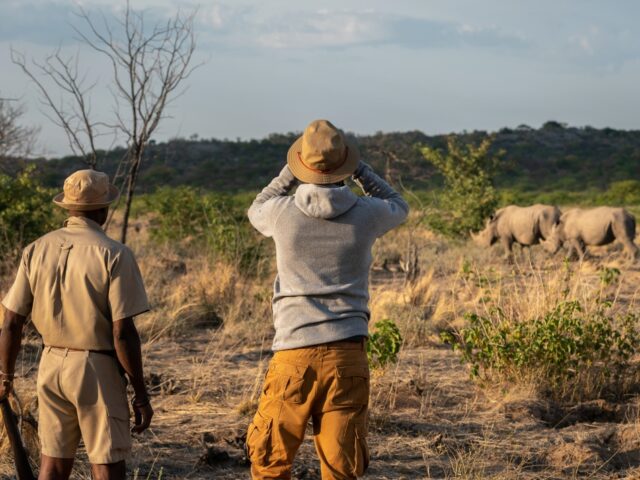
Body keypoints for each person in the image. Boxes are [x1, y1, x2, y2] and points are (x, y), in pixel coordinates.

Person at [246, 119, 409, 479]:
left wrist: (289, 172)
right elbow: (398, 204)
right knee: (341, 468)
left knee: (270, 463)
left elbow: (257, 205)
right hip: (347, 356)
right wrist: (362, 170)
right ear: (345, 167)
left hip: (292, 355)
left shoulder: (281, 213)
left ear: (302, 163)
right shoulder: (367, 215)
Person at [0, 169, 153, 480]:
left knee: (53, 464)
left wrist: (6, 375)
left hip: (50, 365)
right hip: (96, 367)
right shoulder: (114, 254)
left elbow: (11, 322)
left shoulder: (36, 248)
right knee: (107, 464)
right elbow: (123, 333)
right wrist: (140, 393)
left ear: (68, 207)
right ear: (103, 209)